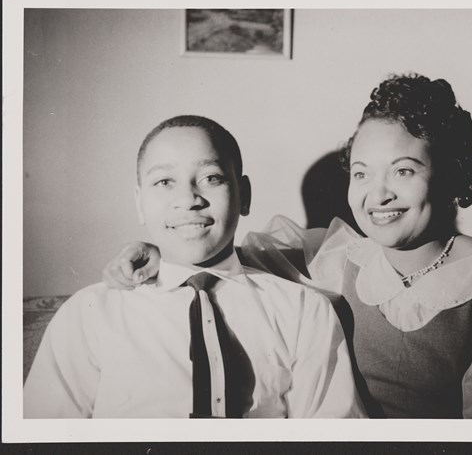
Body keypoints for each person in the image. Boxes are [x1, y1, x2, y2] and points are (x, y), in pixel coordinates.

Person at [104, 76, 472, 419]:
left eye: (404, 171)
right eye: (361, 173)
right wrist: (154, 248)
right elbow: (223, 256)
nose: (378, 194)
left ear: (451, 175)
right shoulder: (340, 258)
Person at [24, 115, 365, 419]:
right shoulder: (89, 314)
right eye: (164, 182)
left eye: (211, 178)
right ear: (140, 203)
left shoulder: (303, 311)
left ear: (244, 195)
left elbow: (330, 433)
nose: (188, 199)